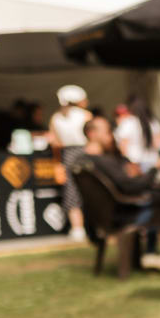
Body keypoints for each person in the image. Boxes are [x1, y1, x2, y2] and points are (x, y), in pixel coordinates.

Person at [81, 117, 160, 272]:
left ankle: (153, 253)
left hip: (105, 217)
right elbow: (131, 186)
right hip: (123, 216)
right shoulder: (103, 161)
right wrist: (154, 169)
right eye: (108, 132)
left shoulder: (82, 161)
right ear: (92, 133)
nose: (112, 136)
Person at [50, 84, 92, 241]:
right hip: (84, 153)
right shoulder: (85, 115)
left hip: (67, 154)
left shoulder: (56, 117)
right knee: (90, 187)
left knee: (71, 190)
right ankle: (91, 225)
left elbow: (55, 142)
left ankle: (77, 228)